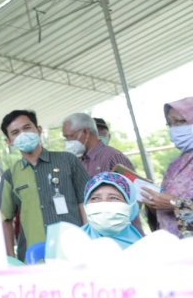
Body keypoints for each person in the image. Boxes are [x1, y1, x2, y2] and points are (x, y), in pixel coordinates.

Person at [0, 109, 90, 261]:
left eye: (27, 128)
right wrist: (11, 258)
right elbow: (5, 219)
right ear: (9, 141)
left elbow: (85, 203)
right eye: (15, 132)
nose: (22, 134)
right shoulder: (10, 176)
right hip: (33, 258)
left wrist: (89, 241)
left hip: (74, 251)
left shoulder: (68, 161)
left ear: (39, 130)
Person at [141, 97, 193, 238]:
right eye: (170, 124)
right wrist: (153, 203)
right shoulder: (175, 164)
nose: (174, 129)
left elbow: (173, 202)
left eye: (180, 121)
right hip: (175, 248)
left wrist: (174, 203)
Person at [62, 112, 134, 177]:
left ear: (86, 132)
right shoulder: (79, 161)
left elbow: (133, 188)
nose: (68, 141)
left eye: (70, 136)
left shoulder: (113, 157)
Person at [81, 172, 143, 248]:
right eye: (95, 198)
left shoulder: (144, 251)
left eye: (114, 198)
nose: (103, 204)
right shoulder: (70, 245)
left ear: (131, 205)